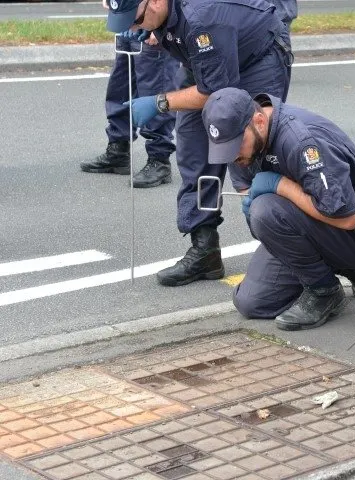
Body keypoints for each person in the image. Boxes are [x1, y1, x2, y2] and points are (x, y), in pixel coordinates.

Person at [104, 0, 293, 286]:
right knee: (194, 148)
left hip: (257, 59)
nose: (134, 26)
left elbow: (218, 90)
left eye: (137, 19)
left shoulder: (201, 20)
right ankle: (205, 250)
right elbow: (201, 63)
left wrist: (160, 102)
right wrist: (155, 30)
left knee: (249, 153)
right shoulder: (164, 13)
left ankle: (288, 255)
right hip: (207, 60)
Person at [201, 87, 355, 330]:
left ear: (259, 121)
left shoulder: (301, 141)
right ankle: (338, 265)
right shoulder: (239, 142)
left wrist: (278, 185)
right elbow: (249, 194)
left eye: (235, 146)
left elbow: (347, 218)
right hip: (305, 224)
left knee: (265, 211)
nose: (232, 156)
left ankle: (325, 291)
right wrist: (253, 212)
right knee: (251, 303)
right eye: (225, 148)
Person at [81, 0, 179, 188]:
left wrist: (159, 24)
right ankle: (118, 148)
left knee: (155, 89)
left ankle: (159, 159)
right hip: (131, 14)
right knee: (120, 87)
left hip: (152, 17)